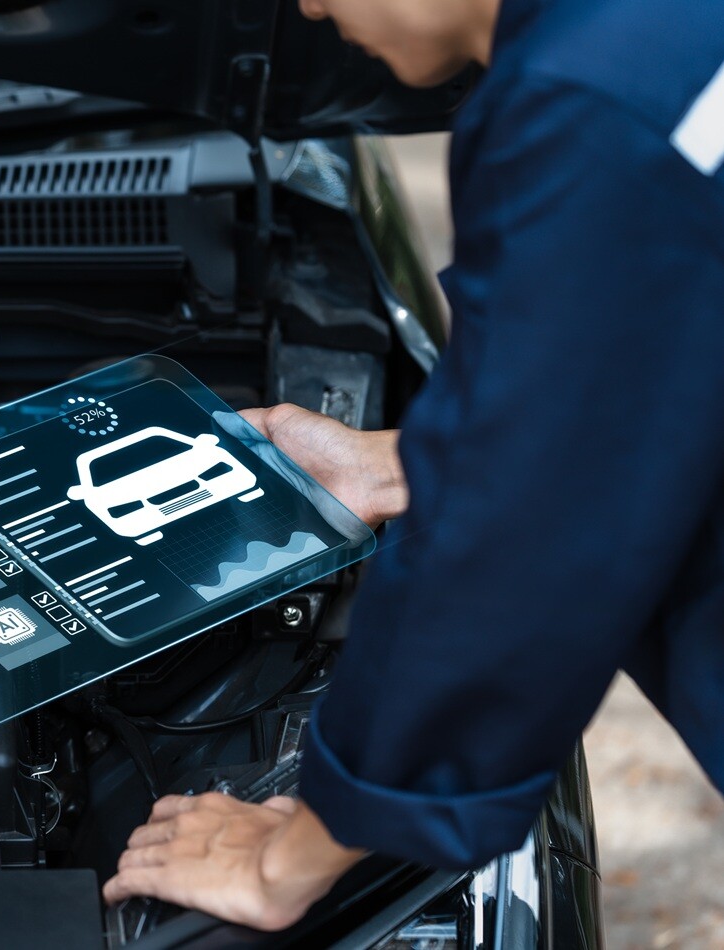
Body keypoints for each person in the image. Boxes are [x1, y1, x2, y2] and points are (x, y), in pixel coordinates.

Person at [103, 0, 724, 931]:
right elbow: (652, 377)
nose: (307, 6)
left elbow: (515, 562)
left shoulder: (582, 112)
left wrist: (293, 854)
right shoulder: (659, 40)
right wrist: (399, 466)